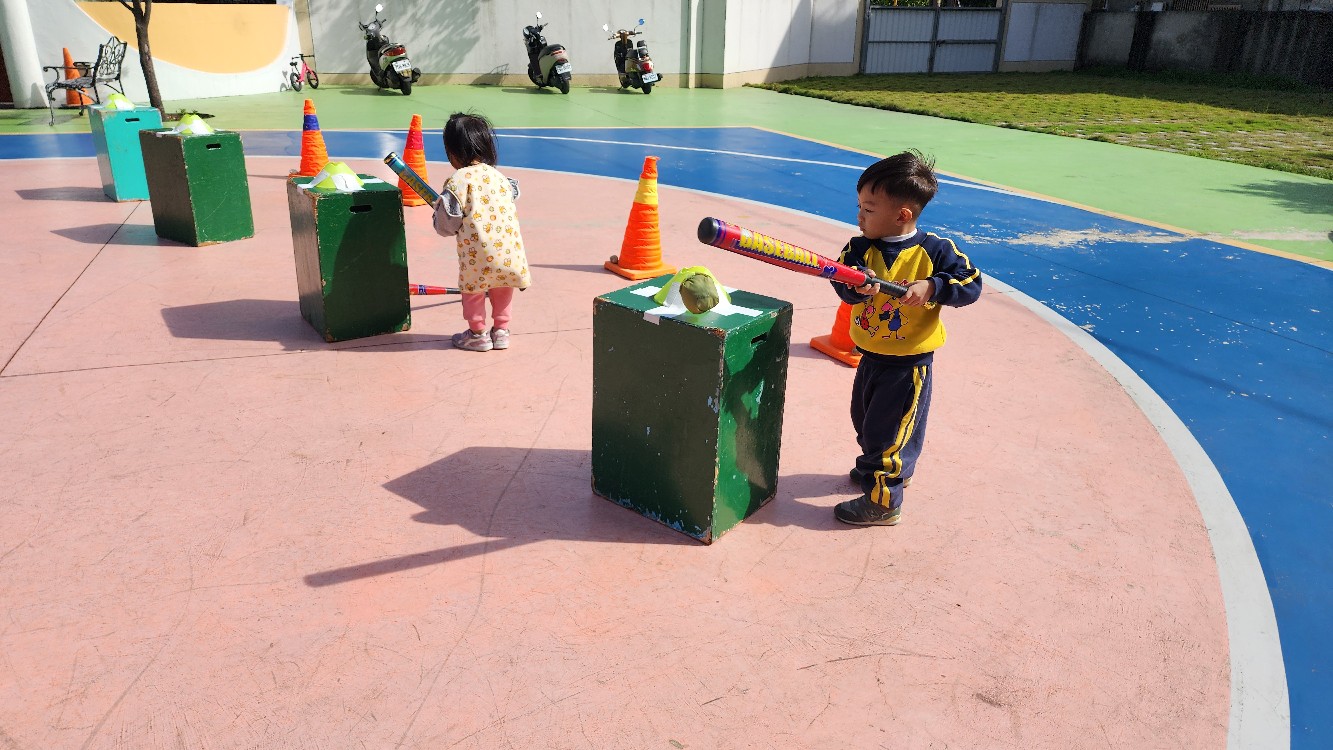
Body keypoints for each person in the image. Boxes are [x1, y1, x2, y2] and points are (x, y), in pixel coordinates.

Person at [831, 150, 982, 526]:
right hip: (870, 357)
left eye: (868, 209)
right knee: (865, 422)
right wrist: (856, 286)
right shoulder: (859, 249)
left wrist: (933, 286)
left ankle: (883, 501)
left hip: (908, 366)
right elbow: (841, 276)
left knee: (888, 434)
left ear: (902, 215)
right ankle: (884, 467)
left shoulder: (937, 251)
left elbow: (971, 282)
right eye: (860, 206)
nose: (859, 216)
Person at [433, 112, 531, 352]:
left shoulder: (458, 180)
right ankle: (501, 331)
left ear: (452, 151)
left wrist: (437, 216)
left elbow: (448, 224)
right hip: (510, 253)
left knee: (474, 289)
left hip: (477, 255)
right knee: (503, 284)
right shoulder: (500, 178)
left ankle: (477, 334)